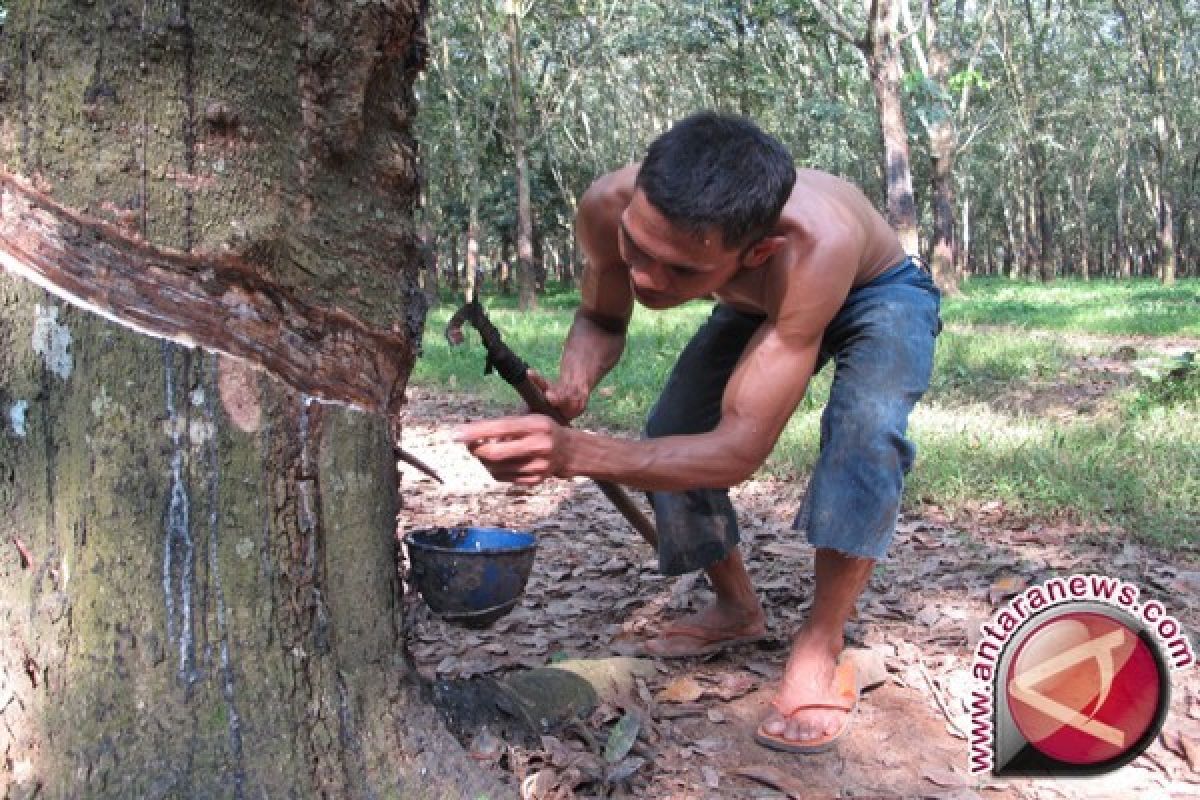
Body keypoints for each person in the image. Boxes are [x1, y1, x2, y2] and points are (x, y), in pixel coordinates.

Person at [455, 111, 941, 753]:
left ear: (756, 252)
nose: (649, 281)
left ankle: (820, 641)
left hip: (874, 291)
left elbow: (739, 448)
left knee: (866, 436)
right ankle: (737, 610)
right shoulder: (610, 204)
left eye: (681, 271)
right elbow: (602, 317)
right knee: (675, 429)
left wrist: (578, 453)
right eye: (638, 250)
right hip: (755, 299)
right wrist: (575, 386)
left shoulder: (809, 247)